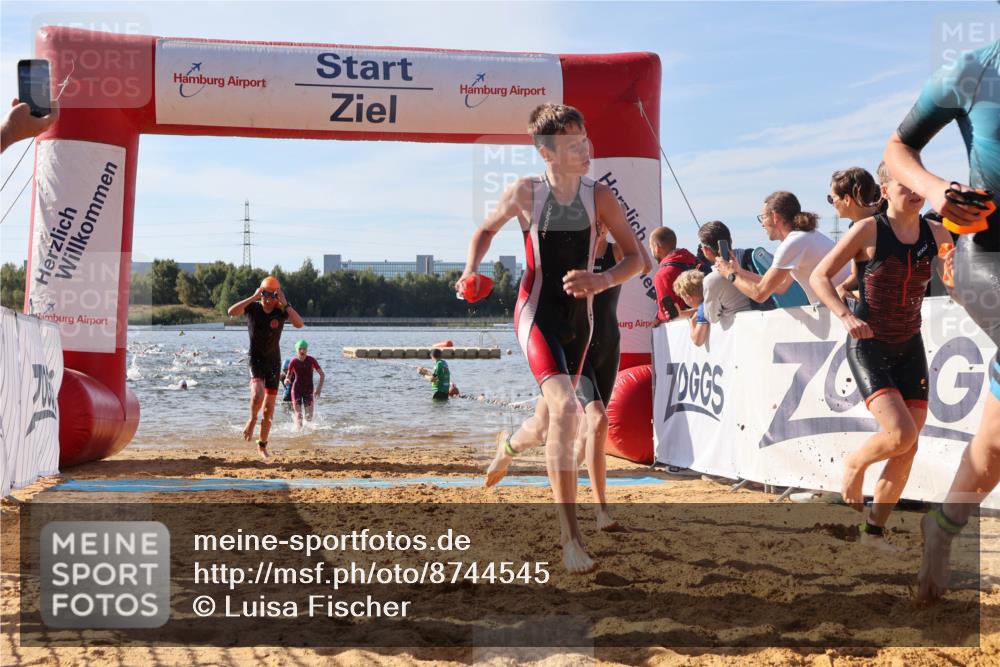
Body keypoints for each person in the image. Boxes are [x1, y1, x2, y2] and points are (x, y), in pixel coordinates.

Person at [457, 102, 643, 573]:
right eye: (574, 144)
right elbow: (485, 230)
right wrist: (470, 270)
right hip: (536, 312)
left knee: (545, 425)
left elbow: (636, 258)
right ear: (547, 153)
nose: (586, 149)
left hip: (581, 321)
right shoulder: (526, 192)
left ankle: (507, 449)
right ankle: (570, 539)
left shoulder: (600, 196)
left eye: (586, 139)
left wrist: (601, 280)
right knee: (567, 410)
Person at [881, 40, 999, 599]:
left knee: (994, 445)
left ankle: (942, 526)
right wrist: (936, 191)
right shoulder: (974, 69)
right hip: (987, 258)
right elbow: (898, 146)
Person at [811, 161, 952, 549]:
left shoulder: (937, 232)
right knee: (901, 434)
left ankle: (872, 532)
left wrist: (962, 283)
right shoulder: (868, 229)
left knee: (909, 444)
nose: (915, 191)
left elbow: (956, 282)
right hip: (869, 343)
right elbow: (820, 276)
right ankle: (855, 463)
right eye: (905, 184)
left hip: (909, 345)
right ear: (885, 191)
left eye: (919, 184)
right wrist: (845, 316)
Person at [485, 232, 656, 532]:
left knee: (547, 427)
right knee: (598, 419)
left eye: (604, 218)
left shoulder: (617, 252)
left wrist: (619, 223)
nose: (598, 225)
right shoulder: (572, 257)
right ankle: (601, 511)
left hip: (608, 347)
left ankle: (509, 449)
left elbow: (645, 264)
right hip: (574, 347)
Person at [715, 193, 849, 306]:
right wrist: (740, 272)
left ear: (775, 217)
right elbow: (781, 286)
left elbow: (759, 294)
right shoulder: (806, 236)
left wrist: (730, 274)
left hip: (841, 310)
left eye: (763, 217)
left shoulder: (791, 243)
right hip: (845, 306)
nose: (762, 224)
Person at [227, 275, 304, 459]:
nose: (268, 299)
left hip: (273, 362)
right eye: (265, 294)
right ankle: (252, 418)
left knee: (269, 410)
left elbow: (299, 324)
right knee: (257, 395)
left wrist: (285, 304)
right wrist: (253, 297)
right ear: (260, 293)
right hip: (255, 359)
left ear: (278, 295)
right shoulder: (253, 308)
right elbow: (231, 312)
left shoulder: (281, 310)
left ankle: (262, 446)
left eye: (273, 295)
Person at [828, 168, 885, 302]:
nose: (832, 204)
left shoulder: (883, 225)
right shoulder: (854, 227)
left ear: (847, 199)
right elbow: (856, 274)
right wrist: (842, 287)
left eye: (832, 198)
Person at [695, 221, 752, 324]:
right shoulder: (751, 256)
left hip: (740, 329)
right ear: (730, 240)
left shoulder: (711, 280)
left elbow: (712, 318)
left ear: (706, 250)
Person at [650, 226, 699, 323]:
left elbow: (668, 314)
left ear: (657, 248)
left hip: (689, 327)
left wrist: (658, 318)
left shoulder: (662, 275)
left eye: (650, 247)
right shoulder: (695, 260)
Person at [286, 339, 324, 427]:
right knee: (299, 416)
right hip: (296, 390)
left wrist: (318, 389)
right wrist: (287, 380)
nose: (302, 351)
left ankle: (307, 433)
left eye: (304, 349)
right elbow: (288, 377)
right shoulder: (293, 362)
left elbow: (322, 375)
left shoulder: (311, 360)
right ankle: (298, 433)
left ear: (307, 350)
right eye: (300, 349)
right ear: (297, 350)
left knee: (309, 417)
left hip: (308, 390)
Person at [673, 270, 711, 347]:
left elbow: (697, 341)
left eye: (682, 297)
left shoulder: (703, 309)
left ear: (688, 297)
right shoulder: (709, 298)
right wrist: (682, 313)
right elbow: (698, 309)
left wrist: (692, 322)